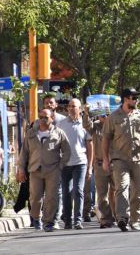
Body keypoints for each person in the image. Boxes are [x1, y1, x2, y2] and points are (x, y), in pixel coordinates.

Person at [102, 88, 140, 232]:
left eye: (136, 97)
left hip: (139, 159)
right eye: (133, 97)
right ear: (125, 99)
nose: (136, 100)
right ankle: (123, 217)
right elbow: (106, 139)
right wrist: (105, 159)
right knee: (121, 187)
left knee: (138, 191)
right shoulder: (113, 117)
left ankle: (135, 219)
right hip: (120, 159)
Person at [17, 108, 71, 232]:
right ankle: (36, 218)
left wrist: (61, 165)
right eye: (40, 117)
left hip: (53, 169)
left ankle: (48, 222)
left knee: (51, 197)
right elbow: (24, 153)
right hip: (35, 169)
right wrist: (21, 169)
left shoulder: (59, 133)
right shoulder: (31, 133)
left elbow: (67, 151)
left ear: (52, 118)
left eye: (46, 117)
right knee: (35, 197)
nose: (42, 120)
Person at [58, 98, 93, 230]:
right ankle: (67, 220)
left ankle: (77, 220)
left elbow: (90, 146)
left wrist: (90, 167)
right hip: (65, 163)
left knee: (78, 191)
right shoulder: (61, 124)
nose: (71, 109)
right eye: (69, 106)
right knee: (66, 192)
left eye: (74, 106)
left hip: (80, 163)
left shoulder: (85, 125)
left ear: (80, 109)